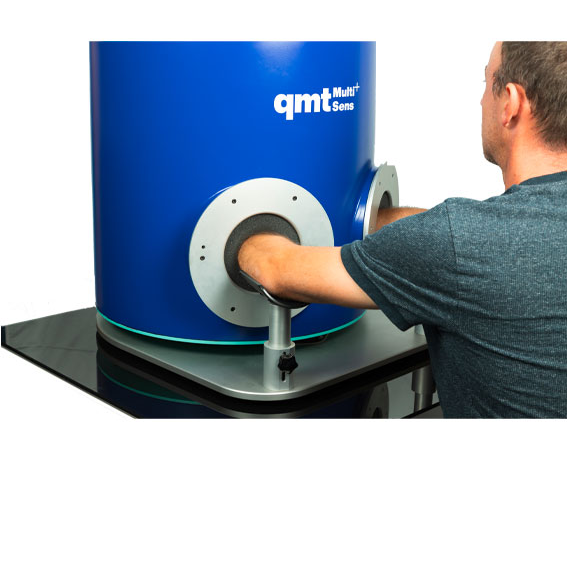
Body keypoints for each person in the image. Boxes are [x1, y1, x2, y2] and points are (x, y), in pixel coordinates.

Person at [238, 42, 567, 418]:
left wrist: (246, 242)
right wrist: (362, 221)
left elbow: (275, 269)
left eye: (485, 83)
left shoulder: (459, 245)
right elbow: (469, 243)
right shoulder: (468, 242)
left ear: (510, 103)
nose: (481, 101)